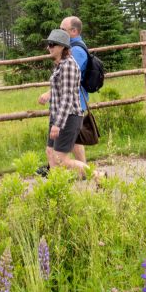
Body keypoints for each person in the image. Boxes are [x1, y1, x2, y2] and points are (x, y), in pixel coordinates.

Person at [37, 16, 87, 175]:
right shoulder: (60, 65)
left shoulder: (68, 65)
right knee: (50, 153)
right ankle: (56, 188)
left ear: (62, 47)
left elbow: (67, 98)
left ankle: (97, 175)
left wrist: (57, 124)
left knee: (60, 159)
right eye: (48, 44)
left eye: (52, 44)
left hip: (68, 116)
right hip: (58, 115)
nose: (49, 47)